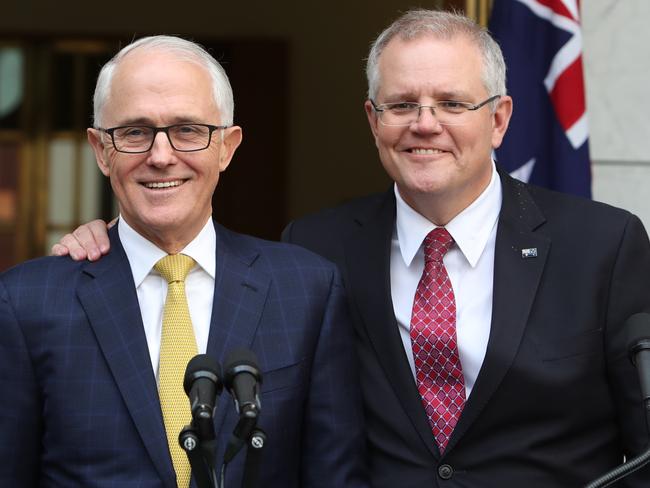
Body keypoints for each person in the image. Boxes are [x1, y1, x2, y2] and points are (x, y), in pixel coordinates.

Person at [51, 10, 650, 487]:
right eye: (401, 104)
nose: (424, 123)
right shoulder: (316, 250)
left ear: (499, 120)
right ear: (372, 119)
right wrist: (120, 240)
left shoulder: (604, 245)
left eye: (451, 103)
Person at [0, 35, 368, 488]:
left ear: (227, 147)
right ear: (101, 150)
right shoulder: (27, 302)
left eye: (187, 130)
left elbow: (336, 478)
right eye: (134, 132)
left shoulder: (307, 289)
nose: (161, 156)